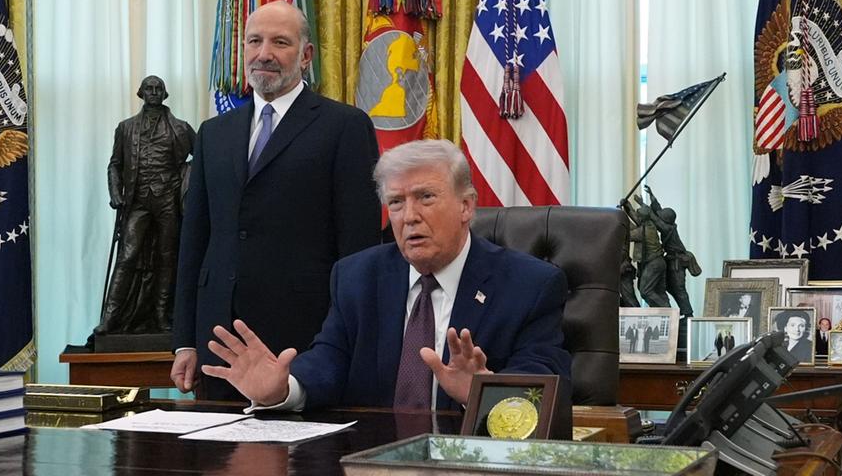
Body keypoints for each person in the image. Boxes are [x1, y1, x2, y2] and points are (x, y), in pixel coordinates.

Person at [197, 140, 570, 410]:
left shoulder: (529, 285)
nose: (409, 217)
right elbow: (330, 359)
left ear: (466, 206)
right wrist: (283, 389)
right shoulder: (357, 276)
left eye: (425, 197)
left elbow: (544, 386)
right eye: (396, 202)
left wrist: (486, 392)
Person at [171, 1, 381, 399]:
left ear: (305, 55)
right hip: (219, 344)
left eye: (279, 42)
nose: (264, 53)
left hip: (304, 343)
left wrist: (349, 340)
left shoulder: (345, 127)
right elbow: (194, 243)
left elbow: (359, 249)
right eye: (254, 41)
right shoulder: (213, 133)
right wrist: (185, 340)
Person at [95, 75, 196, 335]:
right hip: (137, 200)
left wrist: (187, 181)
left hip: (167, 200)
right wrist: (115, 192)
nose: (153, 92)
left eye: (158, 88)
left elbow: (203, 157)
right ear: (141, 93)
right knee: (127, 256)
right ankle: (110, 318)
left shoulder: (181, 128)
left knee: (167, 258)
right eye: (149, 88)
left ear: (165, 93)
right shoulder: (126, 127)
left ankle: (163, 316)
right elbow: (114, 165)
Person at [643, 187, 699, 317]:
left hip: (677, 263)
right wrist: (651, 196)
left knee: (678, 289)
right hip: (671, 261)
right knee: (669, 287)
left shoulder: (668, 229)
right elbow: (657, 211)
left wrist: (645, 208)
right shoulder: (668, 225)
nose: (660, 217)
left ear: (666, 220)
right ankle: (674, 312)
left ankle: (688, 314)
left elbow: (655, 218)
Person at [621, 195, 669, 307]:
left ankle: (667, 310)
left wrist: (621, 217)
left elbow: (628, 234)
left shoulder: (643, 232)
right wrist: (627, 207)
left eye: (639, 215)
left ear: (643, 218)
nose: (637, 216)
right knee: (658, 292)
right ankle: (664, 314)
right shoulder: (650, 224)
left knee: (645, 291)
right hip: (657, 263)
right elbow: (637, 220)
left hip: (654, 264)